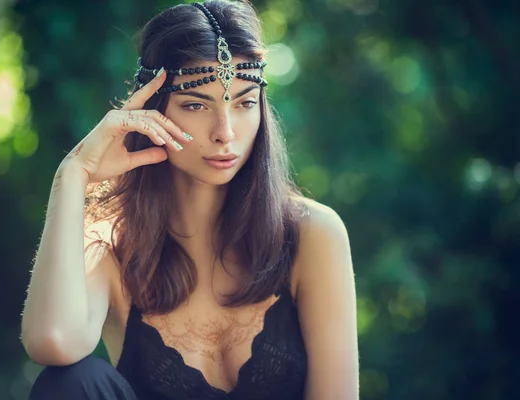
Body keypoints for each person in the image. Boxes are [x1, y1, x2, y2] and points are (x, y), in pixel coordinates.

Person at [20, 1, 359, 399]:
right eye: (196, 105)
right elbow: (53, 343)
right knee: (71, 381)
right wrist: (72, 177)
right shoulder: (110, 243)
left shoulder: (311, 234)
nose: (225, 132)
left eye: (245, 103)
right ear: (151, 110)